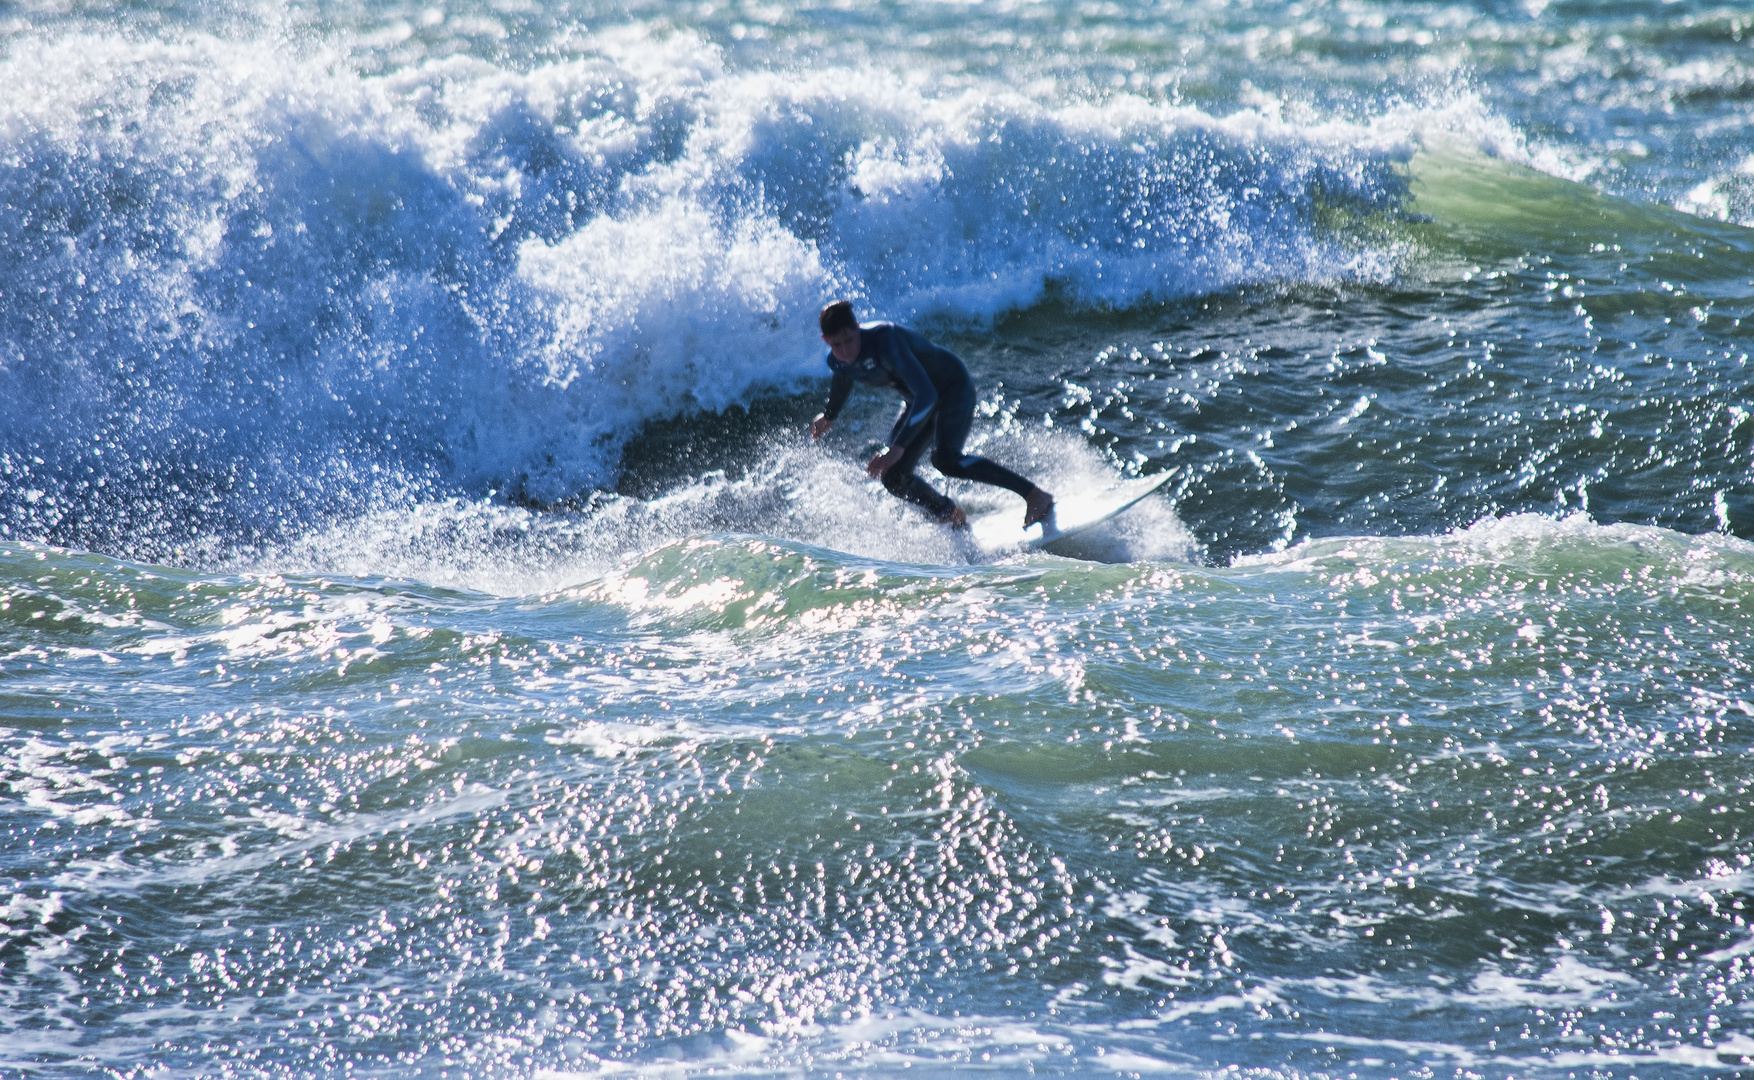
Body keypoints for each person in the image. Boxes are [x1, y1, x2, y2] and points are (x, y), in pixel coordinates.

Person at [809, 300, 1054, 529]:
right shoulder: (837, 361)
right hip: (919, 401)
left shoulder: (886, 341)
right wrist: (829, 416)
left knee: (946, 460)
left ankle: (1034, 495)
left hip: (951, 387)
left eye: (849, 340)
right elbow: (843, 379)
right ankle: (951, 516)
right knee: (893, 476)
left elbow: (927, 394)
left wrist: (897, 448)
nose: (844, 350)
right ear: (824, 340)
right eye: (836, 345)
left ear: (858, 329)